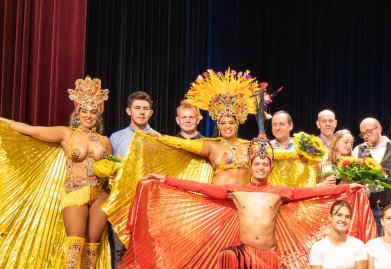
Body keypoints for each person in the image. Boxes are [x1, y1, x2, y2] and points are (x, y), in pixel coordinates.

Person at [121, 159, 373, 269]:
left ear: (270, 168)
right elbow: (200, 188)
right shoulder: (236, 191)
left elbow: (313, 193)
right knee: (228, 255)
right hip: (244, 252)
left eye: (265, 164)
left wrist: (345, 188)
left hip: (268, 256)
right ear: (250, 167)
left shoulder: (281, 192)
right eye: (257, 164)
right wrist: (164, 179)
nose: (261, 167)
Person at [104, 69, 316, 252]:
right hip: (219, 202)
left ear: (237, 123)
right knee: (216, 249)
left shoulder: (249, 144)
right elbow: (184, 144)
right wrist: (161, 138)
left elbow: (273, 154)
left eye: (231, 122)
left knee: (242, 248)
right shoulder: (212, 145)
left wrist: (298, 155)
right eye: (223, 122)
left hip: (243, 205)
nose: (227, 126)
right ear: (218, 124)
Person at [0, 77, 114, 269]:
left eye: (94, 111)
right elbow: (32, 131)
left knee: (93, 243)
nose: (89, 115)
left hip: (101, 192)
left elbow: (111, 168)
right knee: (75, 241)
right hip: (75, 189)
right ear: (78, 111)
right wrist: (5, 122)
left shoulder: (106, 141)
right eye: (85, 110)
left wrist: (113, 173)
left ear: (99, 114)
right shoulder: (67, 134)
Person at [109, 91, 158, 269]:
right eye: (137, 108)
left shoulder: (157, 138)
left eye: (145, 109)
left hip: (147, 202)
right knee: (120, 250)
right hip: (121, 202)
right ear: (129, 111)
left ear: (151, 113)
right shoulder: (116, 138)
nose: (141, 112)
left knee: (145, 251)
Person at [354, 118, 391, 232]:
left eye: (369, 132)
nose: (366, 136)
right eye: (363, 133)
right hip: (369, 209)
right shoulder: (358, 150)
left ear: (379, 129)